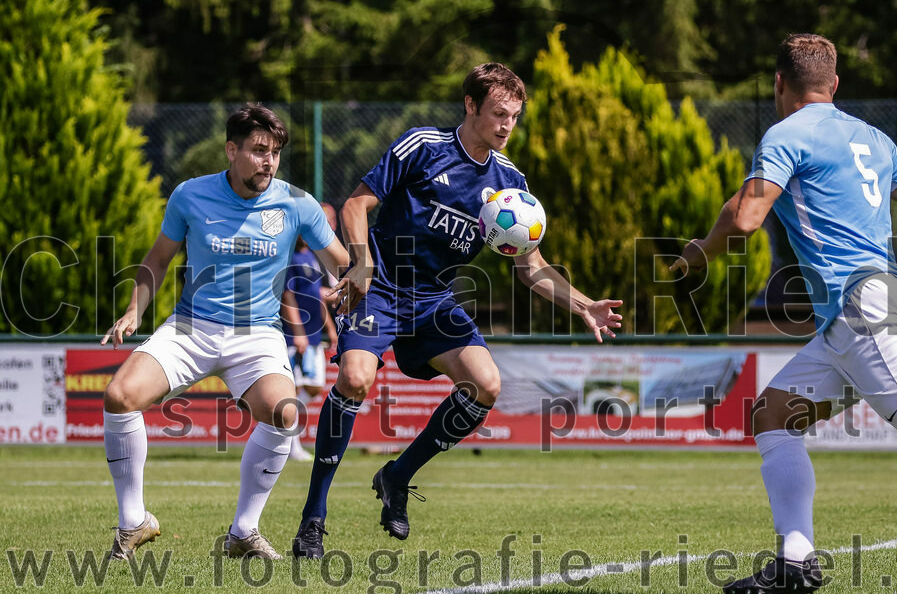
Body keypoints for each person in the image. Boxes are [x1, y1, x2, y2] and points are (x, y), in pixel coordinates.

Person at [671, 33, 897, 594]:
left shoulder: (785, 134)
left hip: (864, 312)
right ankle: (795, 560)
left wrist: (698, 252)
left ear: (779, 84)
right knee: (772, 415)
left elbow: (744, 218)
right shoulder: (872, 138)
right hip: (858, 315)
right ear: (834, 85)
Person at [292, 63, 623, 557]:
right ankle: (313, 519)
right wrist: (360, 266)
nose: (507, 125)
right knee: (355, 379)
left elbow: (531, 267)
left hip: (434, 301)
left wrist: (583, 305)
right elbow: (356, 205)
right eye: (498, 113)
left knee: (486, 384)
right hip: (379, 288)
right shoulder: (423, 146)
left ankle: (397, 476)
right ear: (470, 106)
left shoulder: (511, 182)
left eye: (514, 115)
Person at [101, 104, 350, 561]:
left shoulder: (297, 203)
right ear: (231, 150)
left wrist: (349, 286)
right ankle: (133, 522)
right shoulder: (189, 195)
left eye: (274, 152)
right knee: (119, 396)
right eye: (258, 150)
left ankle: (243, 531)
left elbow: (341, 262)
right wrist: (133, 311)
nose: (268, 161)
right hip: (191, 327)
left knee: (286, 413)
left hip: (258, 336)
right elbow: (157, 259)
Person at [281, 235, 339, 461]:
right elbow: (287, 296)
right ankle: (291, 446)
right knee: (292, 389)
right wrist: (298, 333)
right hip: (295, 336)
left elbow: (317, 296)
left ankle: (282, 425)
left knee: (315, 386)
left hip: (315, 335)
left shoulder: (311, 256)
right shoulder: (289, 258)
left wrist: (331, 328)